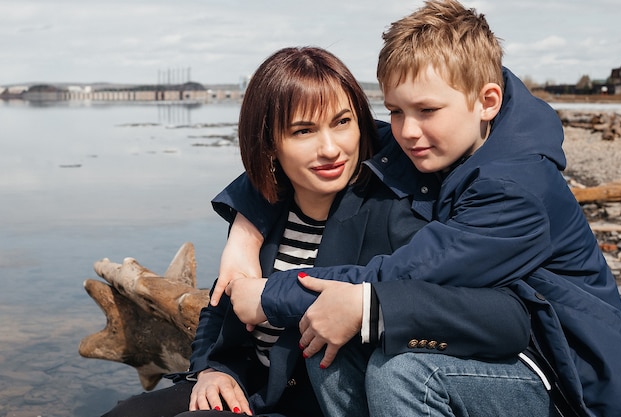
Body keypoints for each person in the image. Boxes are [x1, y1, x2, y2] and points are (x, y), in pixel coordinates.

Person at [214, 1, 621, 416]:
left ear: (488, 101)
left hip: (565, 383)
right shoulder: (452, 138)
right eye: (395, 110)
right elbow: (324, 150)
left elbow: (409, 271)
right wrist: (246, 227)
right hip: (488, 348)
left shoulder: (514, 190)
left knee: (406, 372)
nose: (408, 131)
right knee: (332, 346)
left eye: (426, 110)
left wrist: (273, 293)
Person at [101, 46, 529, 417]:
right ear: (270, 145)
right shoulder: (270, 208)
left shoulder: (395, 211)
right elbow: (224, 299)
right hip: (251, 385)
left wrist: (366, 309)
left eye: (342, 123)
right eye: (303, 131)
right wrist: (212, 369)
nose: (330, 148)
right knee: (125, 413)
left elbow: (479, 311)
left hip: (319, 399)